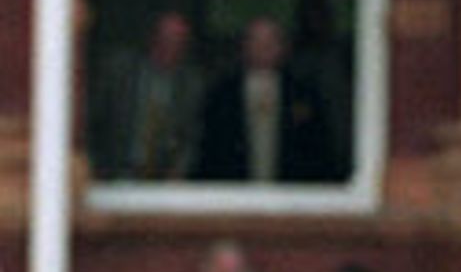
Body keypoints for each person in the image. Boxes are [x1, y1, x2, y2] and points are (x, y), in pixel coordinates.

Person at [196, 15, 338, 183]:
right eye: (256, 41)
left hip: (292, 198)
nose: (264, 47)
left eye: (271, 40)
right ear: (244, 46)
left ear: (283, 47)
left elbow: (320, 153)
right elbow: (209, 153)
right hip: (234, 197)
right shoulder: (221, 95)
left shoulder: (304, 94)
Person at [90, 11, 205, 181]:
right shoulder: (120, 72)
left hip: (164, 180)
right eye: (166, 40)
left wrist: (178, 173)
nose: (170, 47)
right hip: (115, 174)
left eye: (178, 43)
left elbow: (192, 136)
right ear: (153, 39)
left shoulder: (192, 85)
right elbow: (94, 120)